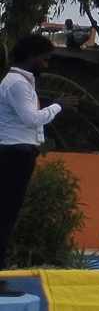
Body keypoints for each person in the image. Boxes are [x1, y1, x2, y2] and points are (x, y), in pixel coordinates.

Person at [0, 34, 62, 281]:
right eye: (44, 59)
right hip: (14, 154)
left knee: (7, 215)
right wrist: (58, 105)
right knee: (5, 216)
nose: (45, 65)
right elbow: (31, 119)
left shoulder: (21, 82)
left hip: (16, 153)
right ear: (31, 56)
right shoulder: (17, 83)